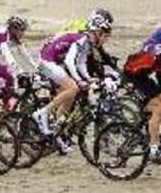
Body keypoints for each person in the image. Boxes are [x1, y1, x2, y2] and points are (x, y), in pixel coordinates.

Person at [33, 15, 111, 143]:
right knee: (73, 87)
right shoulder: (81, 39)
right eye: (103, 35)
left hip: (55, 62)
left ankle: (56, 130)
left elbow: (81, 63)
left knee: (70, 97)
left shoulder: (87, 43)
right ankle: (42, 113)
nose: (104, 39)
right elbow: (70, 61)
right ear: (95, 32)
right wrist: (79, 80)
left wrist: (88, 78)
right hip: (46, 61)